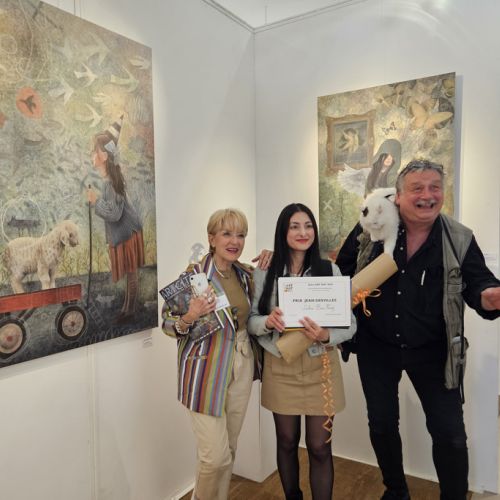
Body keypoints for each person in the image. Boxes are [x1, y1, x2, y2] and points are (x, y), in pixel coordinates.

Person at [336, 160, 500, 500]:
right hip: (376, 347)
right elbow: (340, 272)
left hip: (434, 351)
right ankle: (396, 492)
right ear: (397, 196)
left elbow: (479, 284)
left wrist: (489, 296)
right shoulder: (371, 227)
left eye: (435, 187)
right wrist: (288, 260)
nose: (428, 195)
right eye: (417, 188)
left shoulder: (459, 237)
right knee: (382, 424)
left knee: (450, 435)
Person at [248, 203, 357, 500]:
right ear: (283, 232)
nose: (303, 232)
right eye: (294, 226)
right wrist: (267, 322)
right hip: (280, 365)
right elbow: (251, 320)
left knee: (320, 446)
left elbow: (350, 324)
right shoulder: (265, 271)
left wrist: (326, 335)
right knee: (286, 441)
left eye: (308, 226)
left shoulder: (329, 270)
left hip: (321, 367)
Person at [162, 208, 260, 500]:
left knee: (229, 448)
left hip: (242, 360)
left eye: (240, 235)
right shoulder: (193, 276)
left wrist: (270, 255)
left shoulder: (245, 274)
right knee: (214, 457)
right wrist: (190, 316)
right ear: (212, 238)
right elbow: (167, 324)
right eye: (227, 233)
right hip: (205, 371)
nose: (235, 241)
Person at [87, 117, 144, 322]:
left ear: (103, 156)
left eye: (94, 151)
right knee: (131, 273)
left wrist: (96, 202)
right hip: (125, 232)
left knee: (131, 273)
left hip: (128, 233)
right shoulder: (109, 181)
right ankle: (128, 308)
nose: (92, 155)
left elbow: (114, 214)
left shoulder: (111, 183)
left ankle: (130, 310)